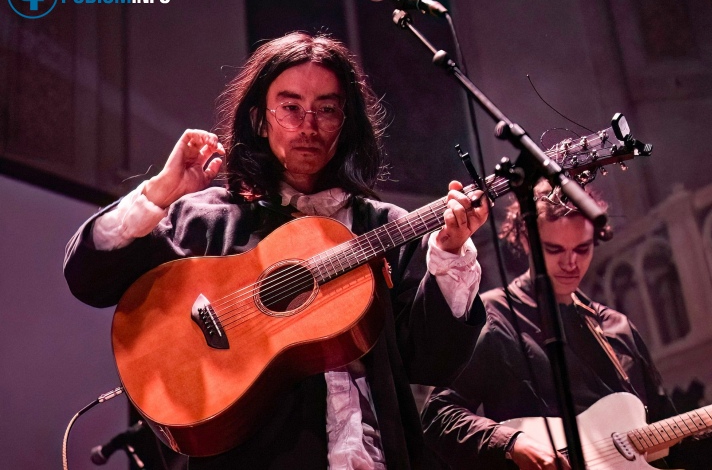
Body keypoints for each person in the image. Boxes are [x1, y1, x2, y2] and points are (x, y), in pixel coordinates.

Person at [64, 32, 489, 469]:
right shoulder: (203, 217)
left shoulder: (385, 227)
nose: (308, 124)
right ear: (260, 120)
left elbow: (431, 363)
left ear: (345, 123)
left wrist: (452, 255)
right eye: (290, 108)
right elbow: (88, 279)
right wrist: (157, 194)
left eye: (326, 109)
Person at [421, 181, 712, 470]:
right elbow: (438, 414)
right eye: (554, 249)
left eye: (582, 249)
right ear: (526, 241)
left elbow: (673, 439)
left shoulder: (618, 329)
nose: (571, 263)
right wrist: (512, 442)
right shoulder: (495, 316)